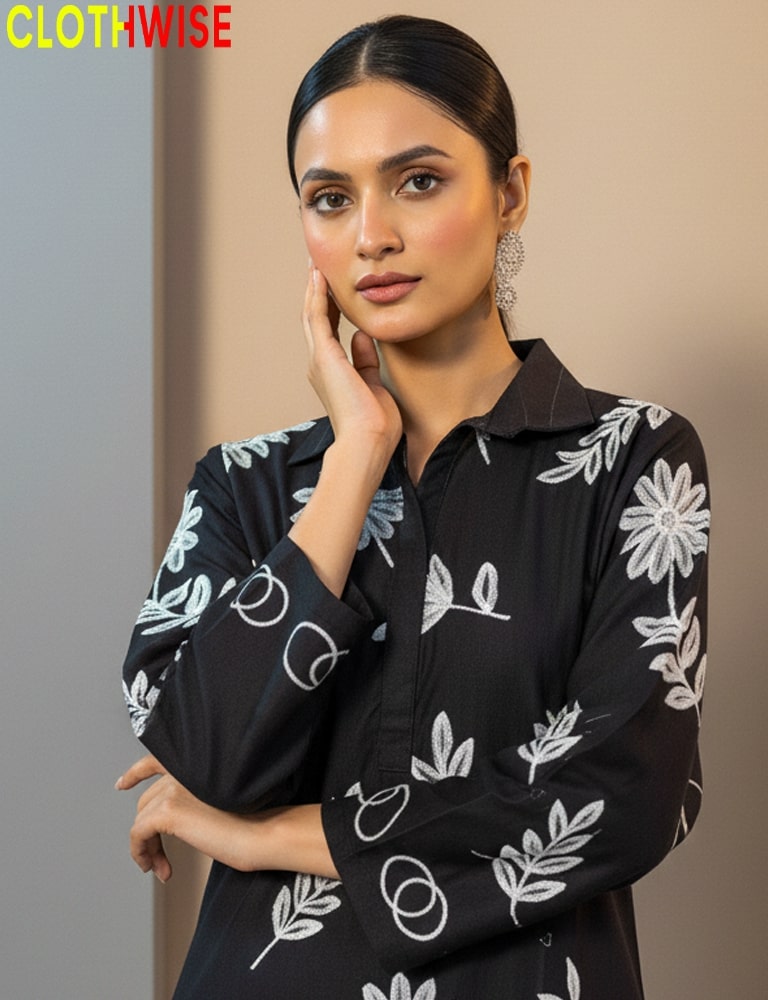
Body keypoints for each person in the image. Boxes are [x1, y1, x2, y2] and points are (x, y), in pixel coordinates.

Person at [117, 15, 710, 999]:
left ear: (509, 191)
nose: (373, 235)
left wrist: (269, 835)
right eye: (330, 198)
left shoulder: (632, 461)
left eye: (419, 180)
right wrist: (358, 453)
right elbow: (199, 750)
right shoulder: (245, 483)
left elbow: (624, 797)